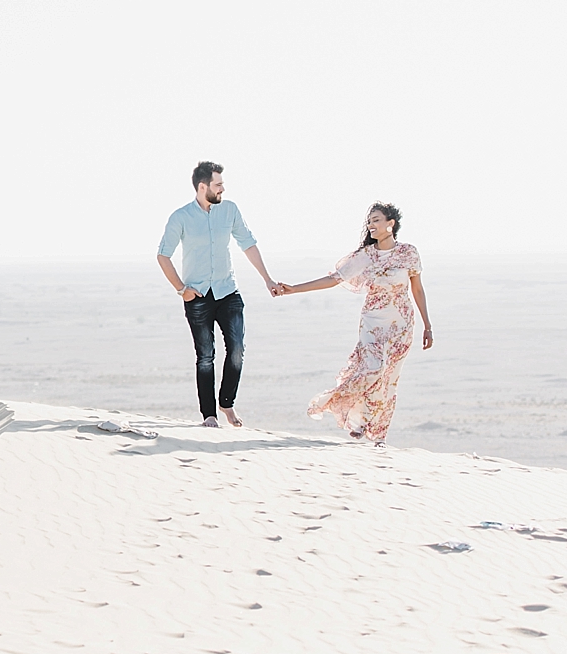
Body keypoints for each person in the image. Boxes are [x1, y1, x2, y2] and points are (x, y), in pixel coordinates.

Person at [275, 202, 433, 444]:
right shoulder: (365, 256)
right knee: (372, 369)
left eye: (376, 220)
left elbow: (418, 289)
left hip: (402, 324)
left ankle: (377, 435)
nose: (371, 225)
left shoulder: (408, 253)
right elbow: (333, 279)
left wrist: (427, 325)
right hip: (373, 323)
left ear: (391, 224)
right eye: (369, 221)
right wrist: (294, 289)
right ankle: (351, 413)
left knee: (389, 379)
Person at [156, 161, 287, 428]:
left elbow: (248, 244)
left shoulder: (230, 210)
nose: (222, 189)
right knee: (205, 356)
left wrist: (267, 279)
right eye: (218, 184)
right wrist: (181, 289)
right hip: (198, 296)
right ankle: (209, 415)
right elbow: (163, 255)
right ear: (203, 186)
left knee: (237, 350)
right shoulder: (180, 217)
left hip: (228, 292)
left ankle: (226, 403)